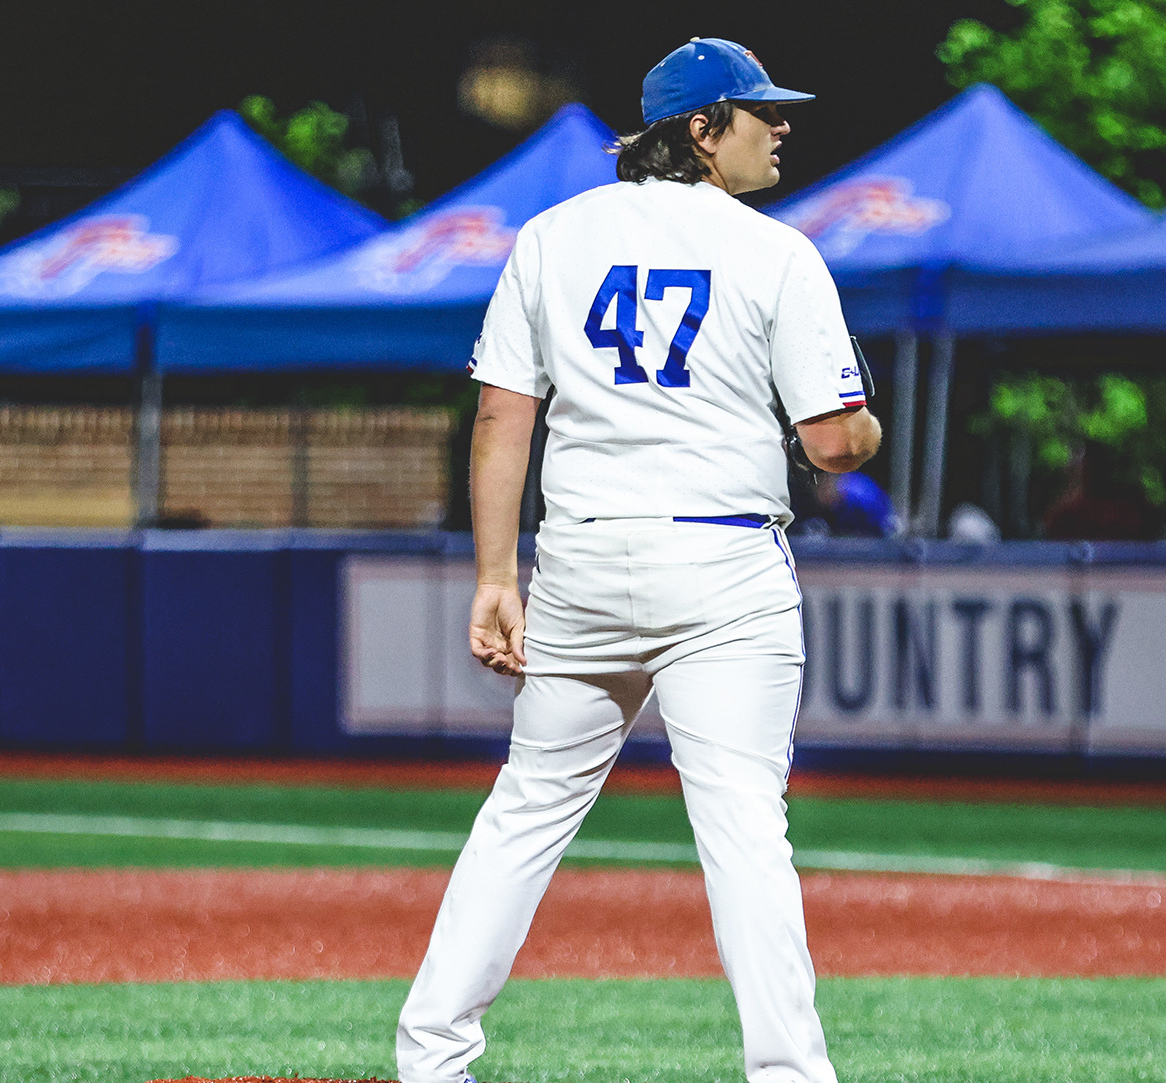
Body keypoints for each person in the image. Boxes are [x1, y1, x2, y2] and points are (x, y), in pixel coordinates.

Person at [395, 38, 879, 1083]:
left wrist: (494, 575)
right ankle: (789, 1076)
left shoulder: (552, 237)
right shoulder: (773, 252)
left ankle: (430, 1059)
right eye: (759, 112)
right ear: (700, 131)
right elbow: (835, 442)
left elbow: (500, 418)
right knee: (745, 828)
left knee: (527, 807)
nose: (781, 126)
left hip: (581, 554)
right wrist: (870, 433)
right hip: (720, 565)